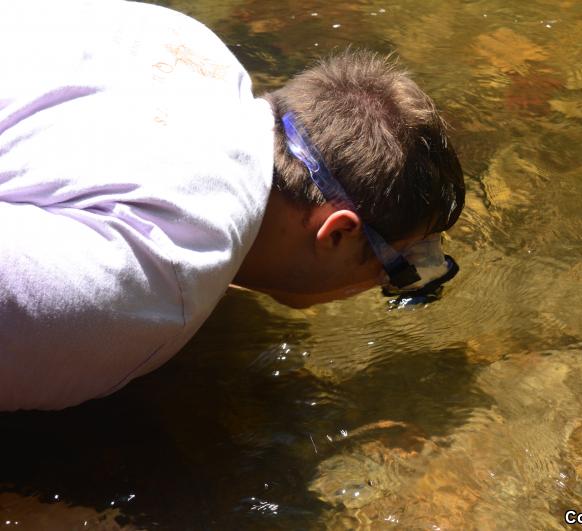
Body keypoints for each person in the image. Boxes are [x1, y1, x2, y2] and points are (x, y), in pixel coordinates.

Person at [0, 1, 465, 411]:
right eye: (396, 269)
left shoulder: (187, 44)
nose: (384, 285)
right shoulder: (154, 290)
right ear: (336, 232)